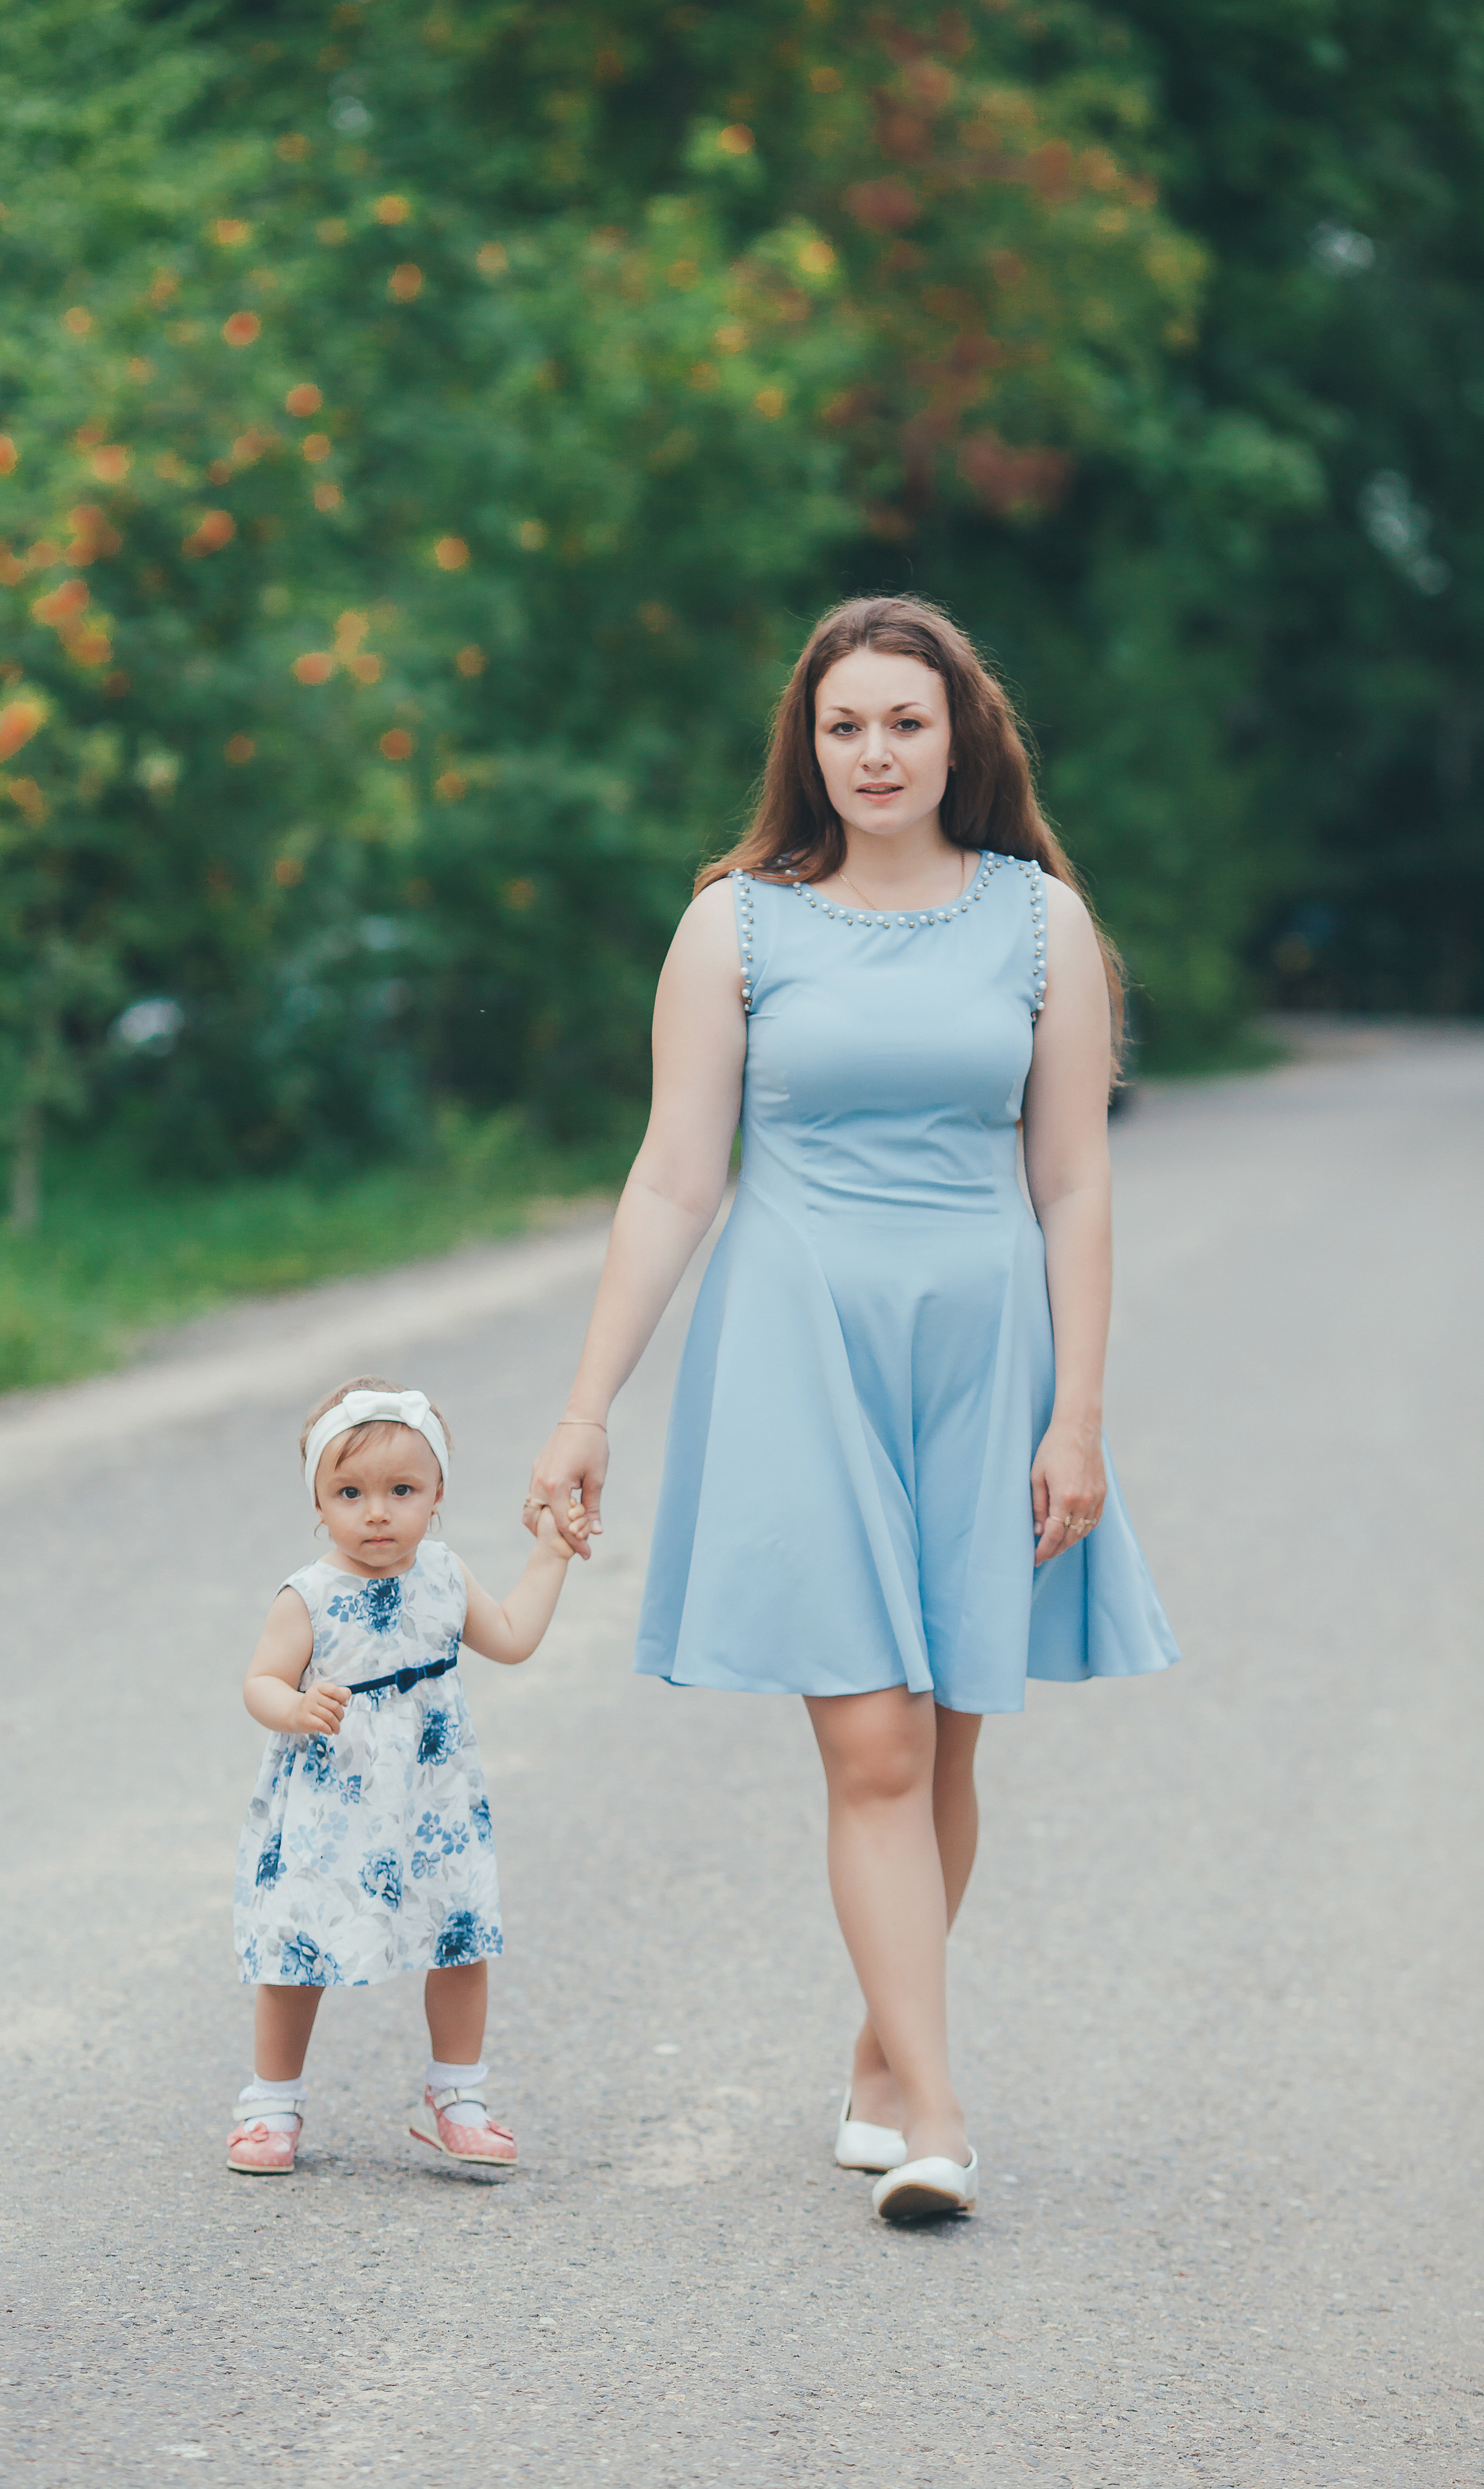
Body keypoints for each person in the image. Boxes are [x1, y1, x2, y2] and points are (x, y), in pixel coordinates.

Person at [524, 595, 1179, 2224]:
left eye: (902, 721)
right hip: (796, 1340)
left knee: (946, 1733)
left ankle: (885, 2060)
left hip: (980, 1351)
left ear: (957, 738)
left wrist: (1076, 1414)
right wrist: (586, 1406)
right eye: (842, 726)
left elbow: (1074, 1181)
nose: (873, 752)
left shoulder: (1039, 922)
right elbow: (675, 1179)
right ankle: (940, 2120)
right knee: (873, 1741)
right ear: (804, 747)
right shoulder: (734, 925)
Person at [228, 1376, 580, 2177]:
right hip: (334, 1801)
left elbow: (513, 1636)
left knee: (458, 1936)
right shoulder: (310, 1596)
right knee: (301, 1949)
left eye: (401, 1491)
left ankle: (457, 2096)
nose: (377, 1512)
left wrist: (551, 1554)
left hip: (432, 1801)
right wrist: (295, 1706)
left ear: (437, 1495)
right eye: (350, 1493)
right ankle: (270, 2103)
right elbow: (259, 1682)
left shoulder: (445, 1576)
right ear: (319, 1503)